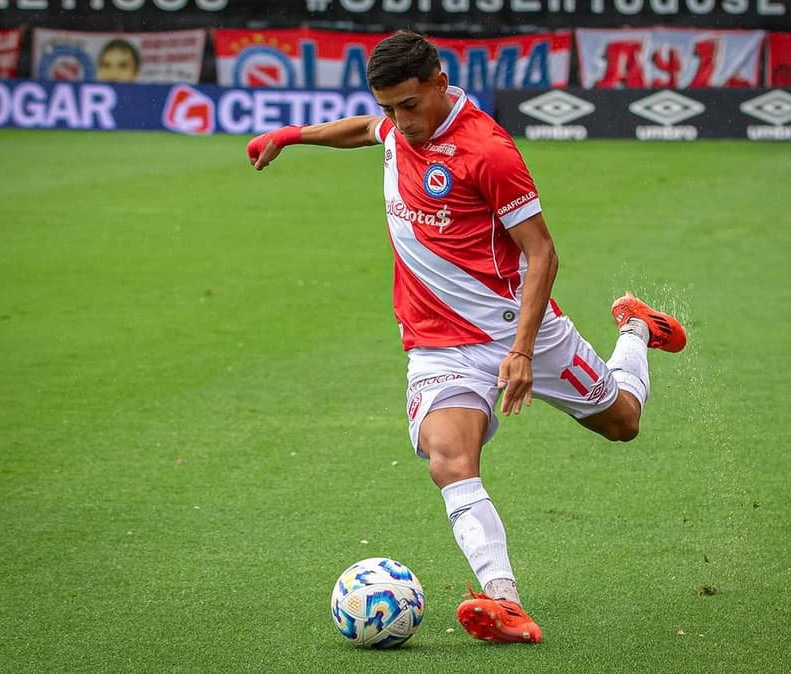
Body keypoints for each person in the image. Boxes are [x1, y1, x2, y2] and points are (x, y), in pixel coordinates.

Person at [246, 31, 686, 645]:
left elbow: (542, 253)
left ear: (438, 84)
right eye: (387, 107)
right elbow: (360, 131)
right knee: (450, 459)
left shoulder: (487, 152)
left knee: (622, 422)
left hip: (517, 328)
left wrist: (525, 350)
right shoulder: (397, 127)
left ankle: (636, 327)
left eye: (408, 105)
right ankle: (503, 600)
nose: (399, 121)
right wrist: (290, 136)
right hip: (435, 344)